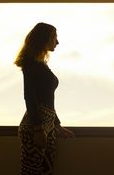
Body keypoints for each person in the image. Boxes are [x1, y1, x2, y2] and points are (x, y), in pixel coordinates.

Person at [14, 22, 74, 175]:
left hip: (47, 127)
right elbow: (30, 96)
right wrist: (38, 129)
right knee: (31, 173)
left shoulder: (41, 64)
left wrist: (57, 125)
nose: (58, 42)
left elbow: (47, 99)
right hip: (36, 128)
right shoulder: (31, 63)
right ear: (44, 38)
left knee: (45, 172)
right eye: (55, 37)